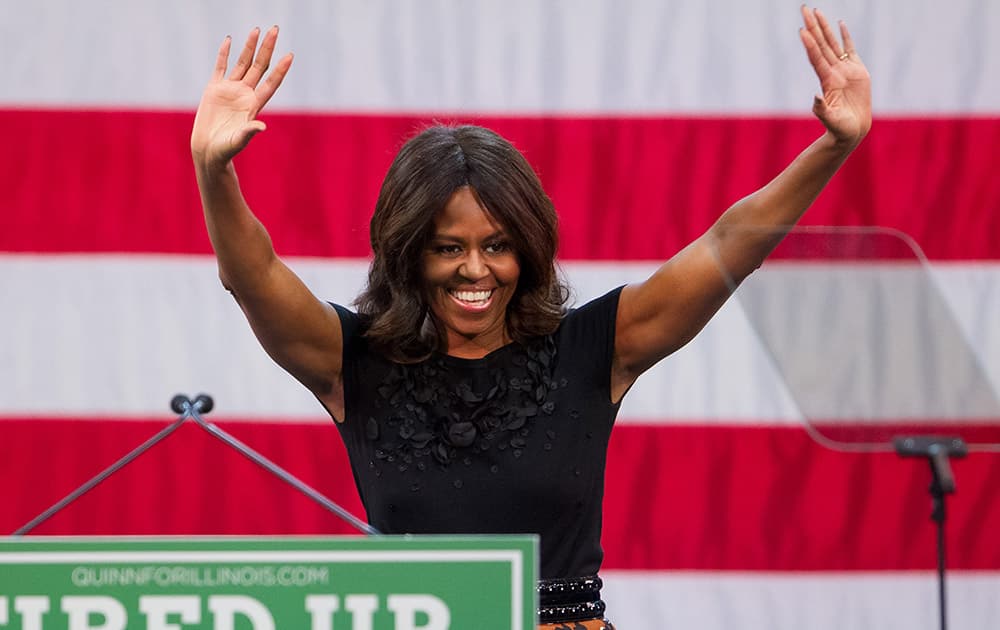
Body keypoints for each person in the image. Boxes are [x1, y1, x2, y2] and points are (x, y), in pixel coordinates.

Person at [191, 6, 870, 629]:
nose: (476, 270)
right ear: (407, 253)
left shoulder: (594, 348)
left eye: (498, 246)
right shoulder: (353, 360)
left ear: (529, 246)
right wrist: (213, 171)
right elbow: (253, 278)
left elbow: (727, 247)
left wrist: (832, 147)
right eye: (447, 249)